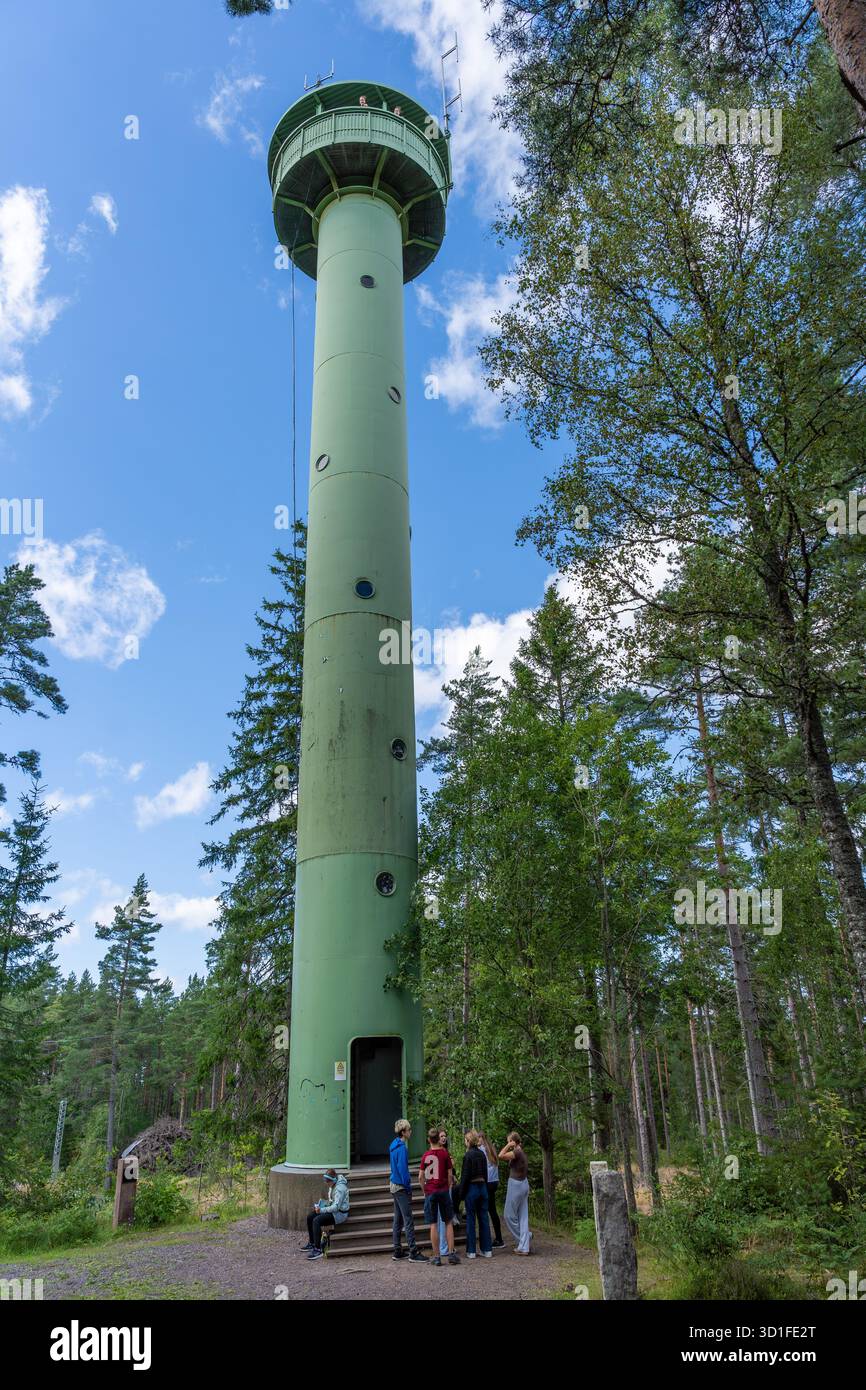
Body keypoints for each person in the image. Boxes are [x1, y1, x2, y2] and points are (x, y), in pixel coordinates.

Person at [420, 1125, 460, 1266]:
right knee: (448, 1221)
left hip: (430, 1191)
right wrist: (448, 1185)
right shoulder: (444, 1154)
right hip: (443, 1190)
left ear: (429, 1140)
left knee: (433, 1224)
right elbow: (450, 1173)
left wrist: (424, 1189)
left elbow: (420, 1176)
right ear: (438, 1138)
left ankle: (436, 1256)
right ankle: (451, 1254)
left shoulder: (425, 1156)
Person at [389, 1119, 427, 1262]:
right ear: (403, 1132)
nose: (411, 1132)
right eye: (409, 1130)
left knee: (398, 1219)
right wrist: (408, 1188)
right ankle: (413, 1251)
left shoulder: (393, 1146)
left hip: (393, 1185)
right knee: (408, 1219)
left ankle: (398, 1250)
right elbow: (403, 1171)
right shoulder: (402, 1148)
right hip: (400, 1186)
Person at [300, 1169, 350, 1259]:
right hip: (334, 1211)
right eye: (325, 1180)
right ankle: (312, 1243)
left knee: (316, 1221)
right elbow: (332, 1202)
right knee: (310, 1216)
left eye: (328, 1181)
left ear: (333, 1180)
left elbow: (336, 1207)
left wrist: (322, 1210)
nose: (326, 1183)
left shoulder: (340, 1189)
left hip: (339, 1214)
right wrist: (322, 1205)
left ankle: (318, 1249)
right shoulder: (333, 1185)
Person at [459, 1130, 493, 1258]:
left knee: (471, 1220)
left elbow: (465, 1177)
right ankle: (487, 1249)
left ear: (468, 1141)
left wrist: (461, 1194)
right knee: (484, 1219)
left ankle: (471, 1251)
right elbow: (485, 1174)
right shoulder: (482, 1154)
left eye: (465, 1140)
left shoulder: (468, 1156)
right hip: (483, 1187)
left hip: (472, 1189)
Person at [499, 1132, 532, 1255]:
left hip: (516, 1185)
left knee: (508, 1215)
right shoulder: (521, 1152)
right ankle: (524, 1246)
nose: (508, 1143)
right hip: (523, 1184)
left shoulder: (517, 1152)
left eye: (509, 1141)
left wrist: (508, 1146)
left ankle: (526, 1238)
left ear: (513, 1141)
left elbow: (500, 1155)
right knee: (523, 1217)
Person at [478, 1131, 505, 1247]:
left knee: (488, 1210)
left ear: (481, 1139)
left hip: (487, 1182)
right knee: (492, 1210)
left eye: (478, 1139)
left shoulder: (482, 1150)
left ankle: (496, 1239)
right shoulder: (491, 1149)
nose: (477, 1141)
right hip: (494, 1181)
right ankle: (498, 1237)